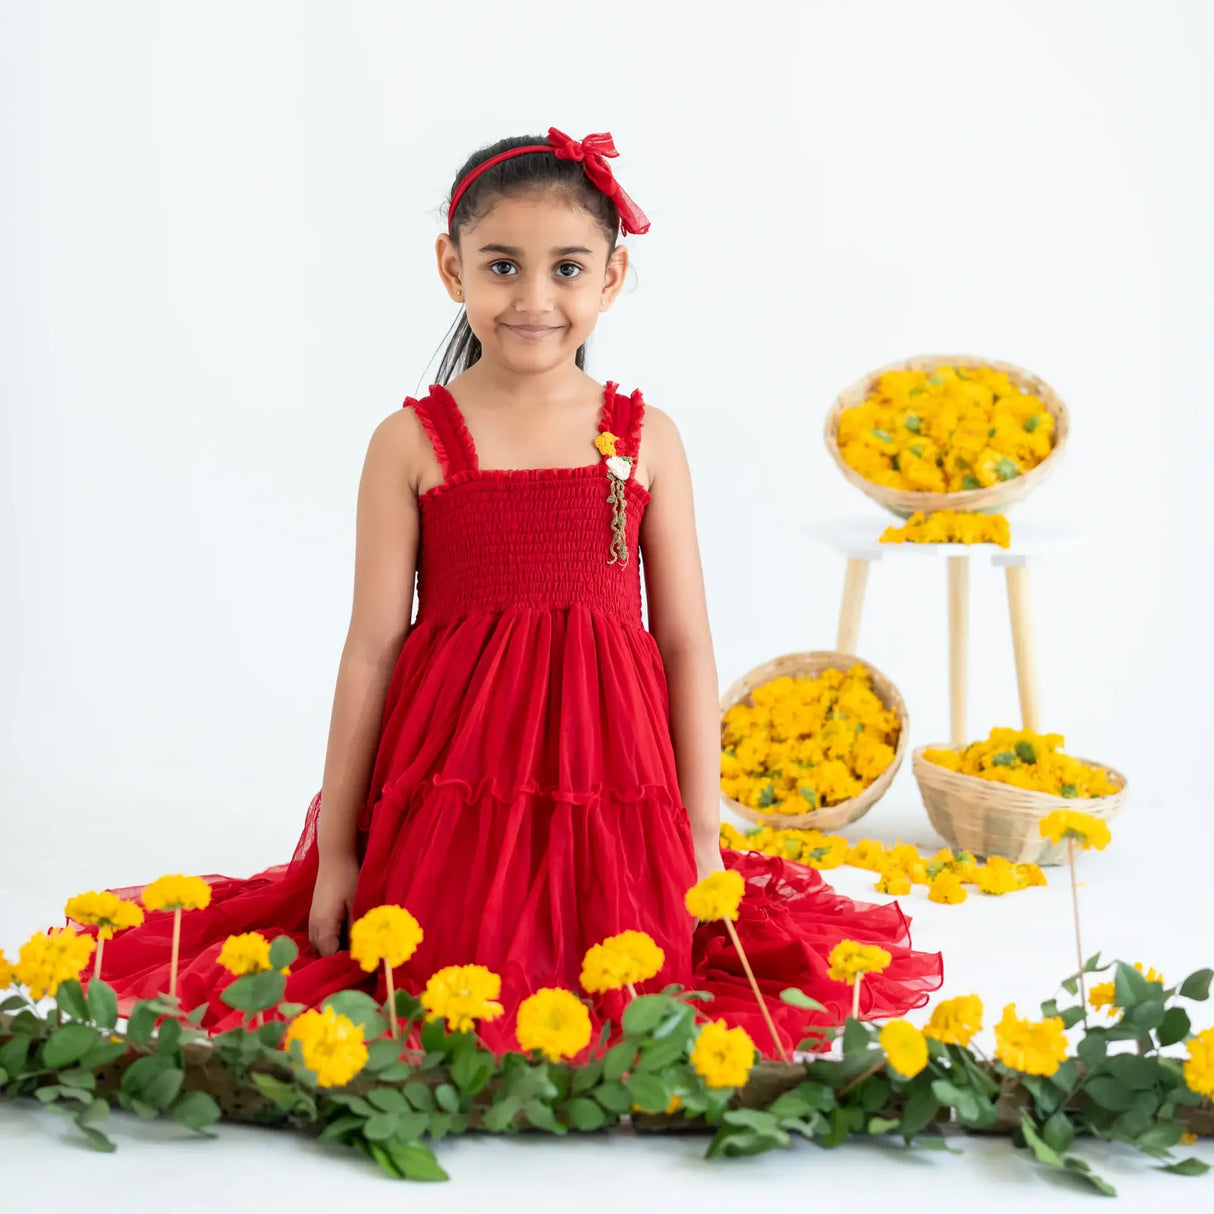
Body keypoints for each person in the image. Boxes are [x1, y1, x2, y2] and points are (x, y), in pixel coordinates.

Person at [73, 128, 942, 1054]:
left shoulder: (647, 438)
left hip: (614, 784)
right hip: (453, 783)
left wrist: (699, 834)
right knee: (441, 982)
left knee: (629, 977)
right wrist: (337, 854)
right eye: (502, 266)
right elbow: (372, 646)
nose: (535, 299)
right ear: (452, 269)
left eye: (568, 268)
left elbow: (684, 642)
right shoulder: (410, 442)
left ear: (612, 279)